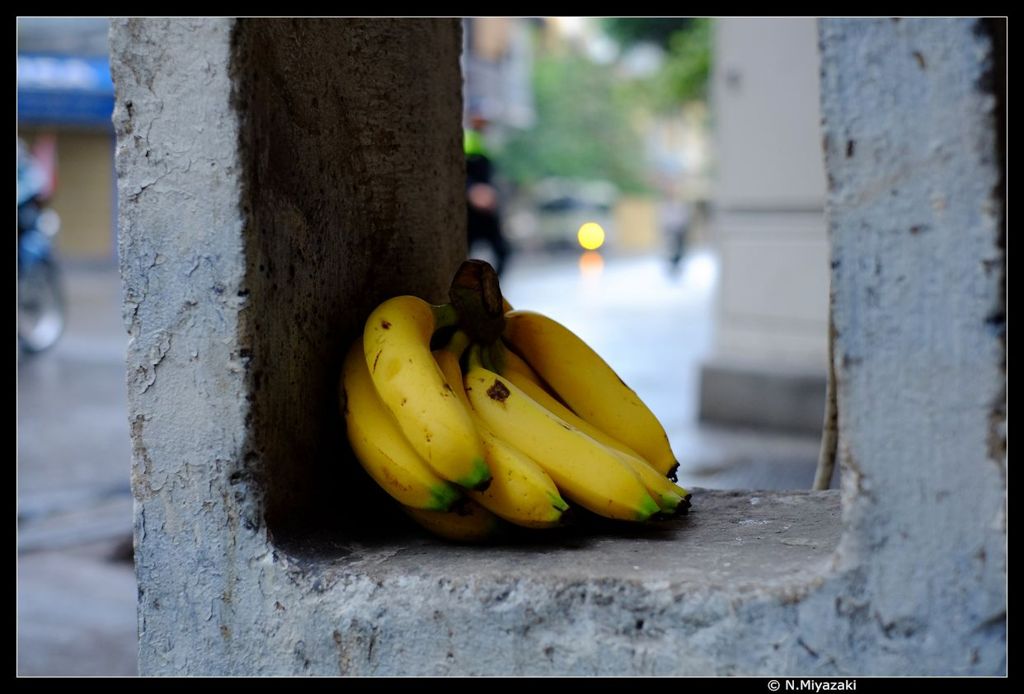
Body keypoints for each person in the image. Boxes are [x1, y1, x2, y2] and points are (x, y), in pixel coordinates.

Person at [465, 110, 510, 277]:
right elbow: (463, 172)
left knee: (502, 251)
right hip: (472, 209)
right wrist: (471, 190)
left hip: (485, 208)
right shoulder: (469, 140)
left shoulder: (482, 141)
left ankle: (490, 289)